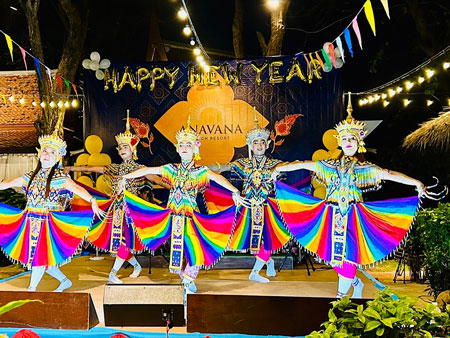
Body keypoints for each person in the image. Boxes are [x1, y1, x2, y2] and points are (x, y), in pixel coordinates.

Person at [272, 96, 425, 298]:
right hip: (330, 215)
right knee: (333, 259)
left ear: (359, 141)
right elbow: (303, 163)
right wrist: (278, 169)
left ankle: (340, 299)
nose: (348, 142)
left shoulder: (364, 169)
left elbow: (389, 174)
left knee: (347, 258)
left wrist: (416, 183)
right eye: (344, 139)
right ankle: (356, 283)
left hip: (353, 217)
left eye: (352, 138)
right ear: (340, 143)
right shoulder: (329, 166)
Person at [121, 117, 246, 293]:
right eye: (182, 145)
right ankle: (187, 283)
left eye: (188, 145)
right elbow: (149, 170)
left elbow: (217, 177)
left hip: (191, 219)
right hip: (173, 219)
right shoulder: (171, 169)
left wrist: (234, 191)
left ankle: (186, 285)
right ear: (178, 149)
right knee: (178, 256)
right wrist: (127, 177)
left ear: (195, 148)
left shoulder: (199, 171)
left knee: (195, 253)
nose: (185, 148)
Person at [0, 128, 104, 292]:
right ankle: (64, 281)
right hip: (29, 221)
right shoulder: (30, 177)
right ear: (40, 153)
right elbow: (7, 183)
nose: (47, 154)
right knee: (43, 260)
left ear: (58, 157)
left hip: (47, 224)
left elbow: (77, 189)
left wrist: (92, 201)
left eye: (51, 152)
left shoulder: (60, 179)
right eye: (45, 151)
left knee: (39, 259)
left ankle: (31, 289)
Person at [65, 110, 163, 284]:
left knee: (126, 240)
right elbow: (91, 168)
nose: (121, 150)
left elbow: (156, 179)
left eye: (125, 147)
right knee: (120, 242)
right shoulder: (114, 168)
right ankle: (136, 266)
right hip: (115, 208)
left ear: (133, 149)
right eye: (120, 147)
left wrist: (172, 184)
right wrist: (72, 169)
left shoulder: (140, 168)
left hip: (132, 211)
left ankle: (113, 273)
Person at [208, 116, 291, 283]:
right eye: (255, 143)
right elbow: (224, 167)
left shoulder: (276, 164)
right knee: (251, 241)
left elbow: (288, 175)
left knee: (268, 240)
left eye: (262, 142)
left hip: (268, 207)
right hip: (247, 206)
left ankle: (255, 272)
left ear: (267, 145)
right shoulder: (243, 163)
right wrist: (203, 169)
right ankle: (269, 261)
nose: (259, 145)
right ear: (250, 145)